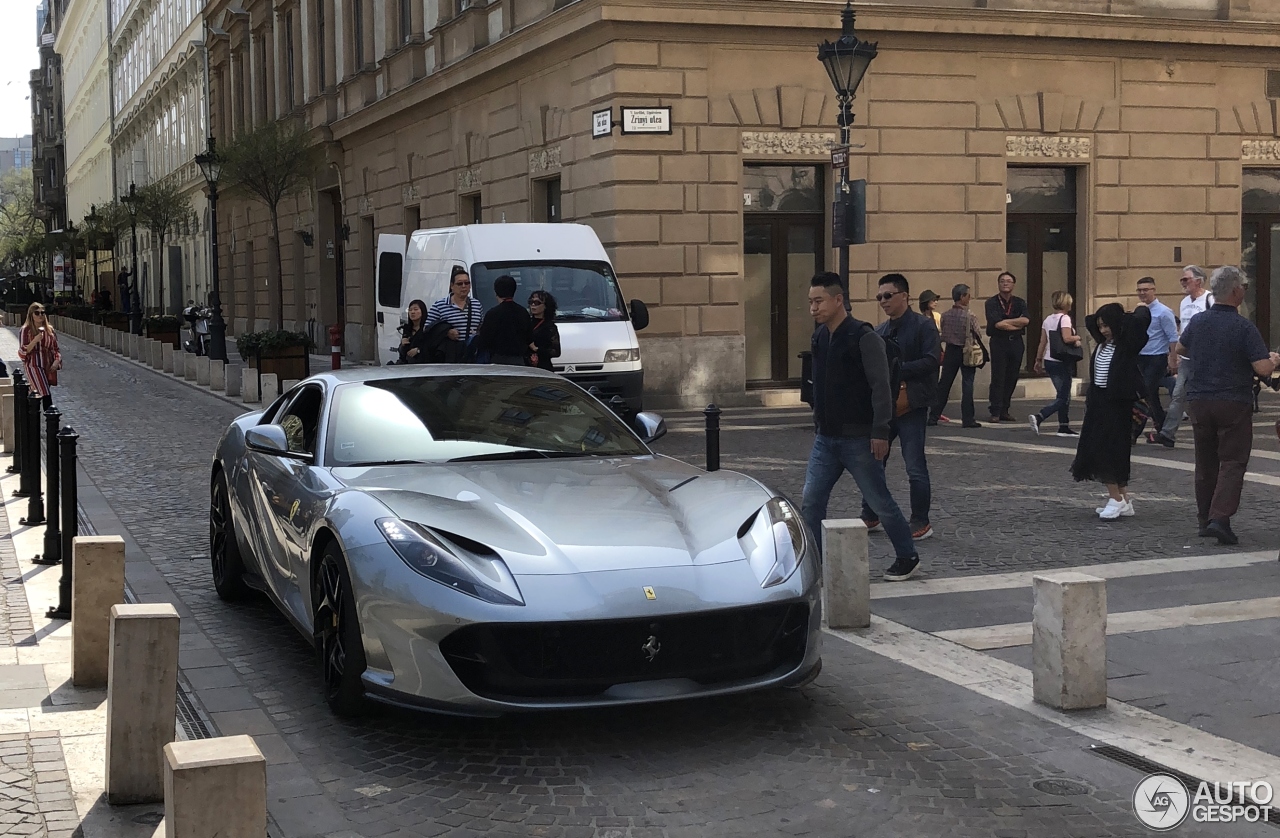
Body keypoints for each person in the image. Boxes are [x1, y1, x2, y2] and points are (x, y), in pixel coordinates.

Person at [800, 272, 920, 582]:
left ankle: (907, 555)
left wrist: (881, 431)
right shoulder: (819, 337)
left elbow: (881, 387)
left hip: (859, 439)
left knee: (879, 500)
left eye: (819, 301)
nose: (813, 307)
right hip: (826, 439)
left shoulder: (863, 337)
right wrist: (817, 421)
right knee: (811, 500)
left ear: (838, 300)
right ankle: (816, 563)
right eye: (810, 302)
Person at [1177, 265, 1280, 545]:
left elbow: (1180, 349)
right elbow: (1262, 368)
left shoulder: (1198, 321)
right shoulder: (1243, 327)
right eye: (1244, 287)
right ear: (1236, 291)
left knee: (1205, 462)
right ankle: (1220, 518)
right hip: (1232, 400)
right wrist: (1274, 361)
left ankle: (1204, 518)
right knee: (1232, 461)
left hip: (1198, 398)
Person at [859, 274, 939, 541]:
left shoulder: (923, 327)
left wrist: (895, 371)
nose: (883, 301)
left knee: (915, 465)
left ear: (904, 296)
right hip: (884, 408)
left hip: (912, 405)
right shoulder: (879, 330)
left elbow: (930, 361)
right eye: (879, 297)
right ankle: (870, 513)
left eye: (887, 295)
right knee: (873, 461)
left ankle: (920, 520)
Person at [1071, 302, 1151, 519]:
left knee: (1108, 451)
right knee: (1105, 450)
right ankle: (1123, 499)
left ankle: (1115, 498)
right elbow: (1089, 320)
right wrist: (1102, 320)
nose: (1104, 330)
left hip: (1117, 405)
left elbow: (1141, 320)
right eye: (1101, 326)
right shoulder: (1102, 344)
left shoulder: (1127, 345)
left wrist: (1129, 312)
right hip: (1100, 403)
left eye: (1107, 325)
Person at [1148, 265, 1213, 448]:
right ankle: (1167, 434)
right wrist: (1175, 354)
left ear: (1198, 281)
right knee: (1178, 395)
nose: (1183, 283)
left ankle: (1209, 432)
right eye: (1182, 280)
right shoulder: (1184, 302)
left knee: (1203, 397)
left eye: (1186, 279)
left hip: (1205, 359)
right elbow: (1181, 331)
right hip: (1187, 358)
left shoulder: (1210, 299)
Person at [1029, 291, 1082, 437]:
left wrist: (1038, 360)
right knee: (1063, 397)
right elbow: (1066, 338)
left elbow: (1043, 342)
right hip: (1061, 360)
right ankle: (1040, 416)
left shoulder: (1047, 319)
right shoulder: (1065, 319)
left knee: (1062, 395)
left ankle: (1063, 426)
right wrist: (1077, 337)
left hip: (1049, 360)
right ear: (1067, 303)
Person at [931, 284, 983, 428]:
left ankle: (933, 415)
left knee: (944, 384)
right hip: (966, 351)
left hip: (950, 351)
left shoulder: (945, 315)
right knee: (967, 385)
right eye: (968, 295)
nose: (969, 298)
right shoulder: (970, 316)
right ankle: (968, 419)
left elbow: (943, 332)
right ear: (962, 297)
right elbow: (978, 333)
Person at [1134, 276, 1179, 438]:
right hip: (1141, 358)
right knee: (1149, 395)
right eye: (1139, 290)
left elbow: (1173, 337)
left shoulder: (1163, 312)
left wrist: (1173, 359)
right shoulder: (1138, 311)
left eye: (1145, 290)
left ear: (1154, 290)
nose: (1142, 293)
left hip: (1156, 357)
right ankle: (1163, 427)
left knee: (1146, 394)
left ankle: (1135, 431)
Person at [985, 271, 1030, 423]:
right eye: (1002, 281)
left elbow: (1026, 320)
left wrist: (1007, 323)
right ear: (998, 284)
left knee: (1012, 376)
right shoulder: (991, 303)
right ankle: (995, 410)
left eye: (1008, 281)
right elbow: (997, 324)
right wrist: (1014, 324)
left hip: (1016, 342)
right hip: (999, 342)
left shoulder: (1019, 302)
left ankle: (1005, 409)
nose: (1005, 283)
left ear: (1013, 284)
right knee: (998, 376)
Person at [425, 266, 484, 359]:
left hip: (471, 357)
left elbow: (481, 326)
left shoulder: (477, 304)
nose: (464, 286)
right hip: (449, 356)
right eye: (460, 283)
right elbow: (427, 329)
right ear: (452, 286)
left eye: (467, 283)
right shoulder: (439, 305)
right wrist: (446, 332)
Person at [474, 274, 533, 366]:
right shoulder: (523, 312)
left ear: (496, 292)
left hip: (498, 360)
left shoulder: (492, 314)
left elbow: (484, 341)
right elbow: (529, 337)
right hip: (519, 360)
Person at [18, 302, 61, 408]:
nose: (40, 315)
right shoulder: (26, 330)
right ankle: (51, 417)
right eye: (37, 313)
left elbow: (55, 349)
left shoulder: (50, 330)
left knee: (35, 392)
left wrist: (56, 361)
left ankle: (26, 415)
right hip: (33, 364)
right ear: (31, 315)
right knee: (45, 391)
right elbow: (23, 350)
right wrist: (35, 340)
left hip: (48, 364)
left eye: (42, 313)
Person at [528, 290, 561, 371]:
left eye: (537, 303)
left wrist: (537, 349)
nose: (532, 305)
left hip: (543, 367)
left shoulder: (550, 326)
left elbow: (556, 351)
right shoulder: (526, 322)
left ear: (545, 306)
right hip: (526, 366)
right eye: (531, 302)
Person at [397, 299, 431, 364]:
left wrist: (418, 350)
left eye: (416, 309)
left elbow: (430, 347)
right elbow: (402, 353)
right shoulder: (407, 329)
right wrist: (402, 345)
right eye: (410, 310)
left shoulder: (427, 328)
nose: (412, 312)